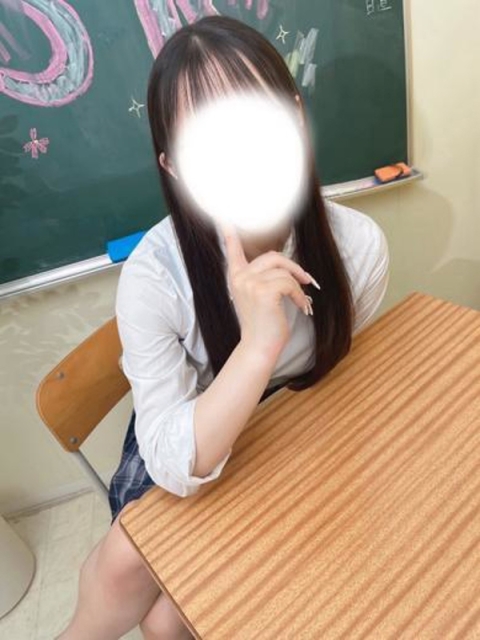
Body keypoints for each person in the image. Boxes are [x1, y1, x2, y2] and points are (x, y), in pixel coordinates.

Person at [57, 14, 389, 640]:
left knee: (171, 615)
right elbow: (172, 458)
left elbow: (347, 394)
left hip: (302, 424)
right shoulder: (155, 278)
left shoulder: (358, 248)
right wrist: (257, 346)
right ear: (175, 168)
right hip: (197, 421)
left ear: (296, 118)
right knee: (146, 590)